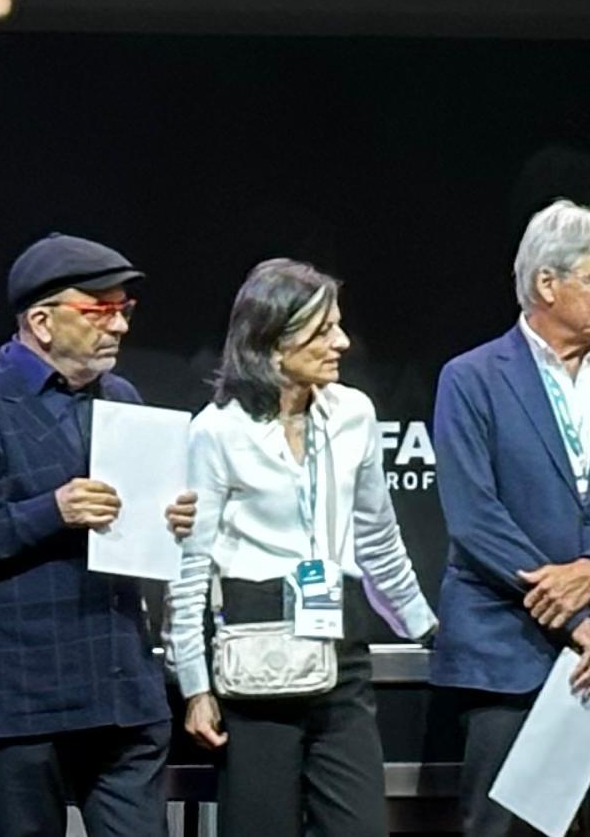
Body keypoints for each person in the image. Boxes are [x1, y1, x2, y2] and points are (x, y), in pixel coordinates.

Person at [0, 235, 198, 837]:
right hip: (22, 692)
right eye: (99, 312)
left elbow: (134, 530)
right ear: (41, 321)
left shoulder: (122, 400)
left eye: (124, 311)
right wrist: (49, 511)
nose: (117, 326)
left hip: (120, 682)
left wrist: (169, 521)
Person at [432, 200, 590, 837]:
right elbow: (474, 517)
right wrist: (569, 613)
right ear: (548, 283)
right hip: (509, 653)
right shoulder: (470, 379)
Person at [171, 260, 438, 837]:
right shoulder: (217, 430)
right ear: (270, 341)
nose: (341, 342)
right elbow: (191, 565)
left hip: (340, 655)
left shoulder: (354, 415)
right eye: (322, 331)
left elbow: (379, 540)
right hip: (254, 660)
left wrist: (428, 627)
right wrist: (194, 685)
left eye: (338, 325)